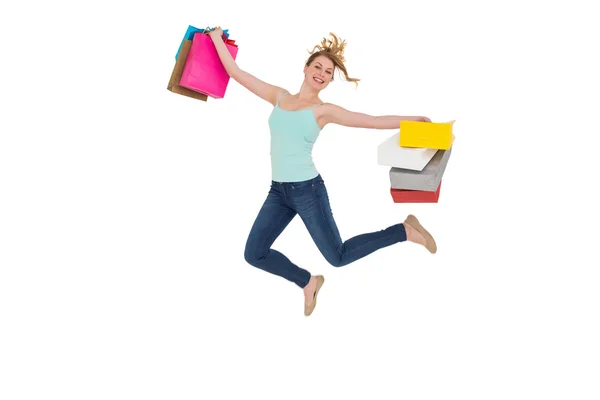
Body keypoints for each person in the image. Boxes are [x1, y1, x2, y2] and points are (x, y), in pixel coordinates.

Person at [208, 28, 437, 316]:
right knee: (254, 253)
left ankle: (404, 231)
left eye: (328, 72)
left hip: (307, 191)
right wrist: (216, 38)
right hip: (278, 191)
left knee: (338, 257)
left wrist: (413, 121)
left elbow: (371, 121)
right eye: (318, 66)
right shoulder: (278, 96)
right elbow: (237, 73)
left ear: (329, 80)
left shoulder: (323, 110)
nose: (322, 73)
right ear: (305, 68)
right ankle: (308, 282)